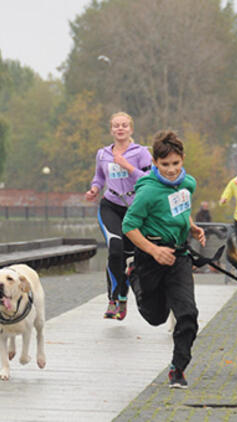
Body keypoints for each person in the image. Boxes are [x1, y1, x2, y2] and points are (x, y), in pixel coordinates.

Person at [122, 130, 206, 389]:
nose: (171, 170)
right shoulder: (148, 192)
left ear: (182, 160)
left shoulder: (187, 184)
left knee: (188, 314)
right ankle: (133, 274)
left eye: (176, 163)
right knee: (156, 316)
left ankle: (177, 368)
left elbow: (181, 207)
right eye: (165, 164)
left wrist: (190, 226)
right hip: (150, 257)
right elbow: (129, 225)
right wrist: (153, 251)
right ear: (155, 163)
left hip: (179, 256)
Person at [85, 112, 152, 320]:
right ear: (111, 130)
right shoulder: (103, 153)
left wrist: (128, 166)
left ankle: (123, 296)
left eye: (124, 125)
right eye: (116, 126)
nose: (120, 129)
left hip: (135, 209)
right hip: (110, 205)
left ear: (131, 129)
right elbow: (99, 176)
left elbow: (149, 179)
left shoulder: (141, 152)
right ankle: (113, 299)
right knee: (115, 249)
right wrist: (95, 189)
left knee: (129, 256)